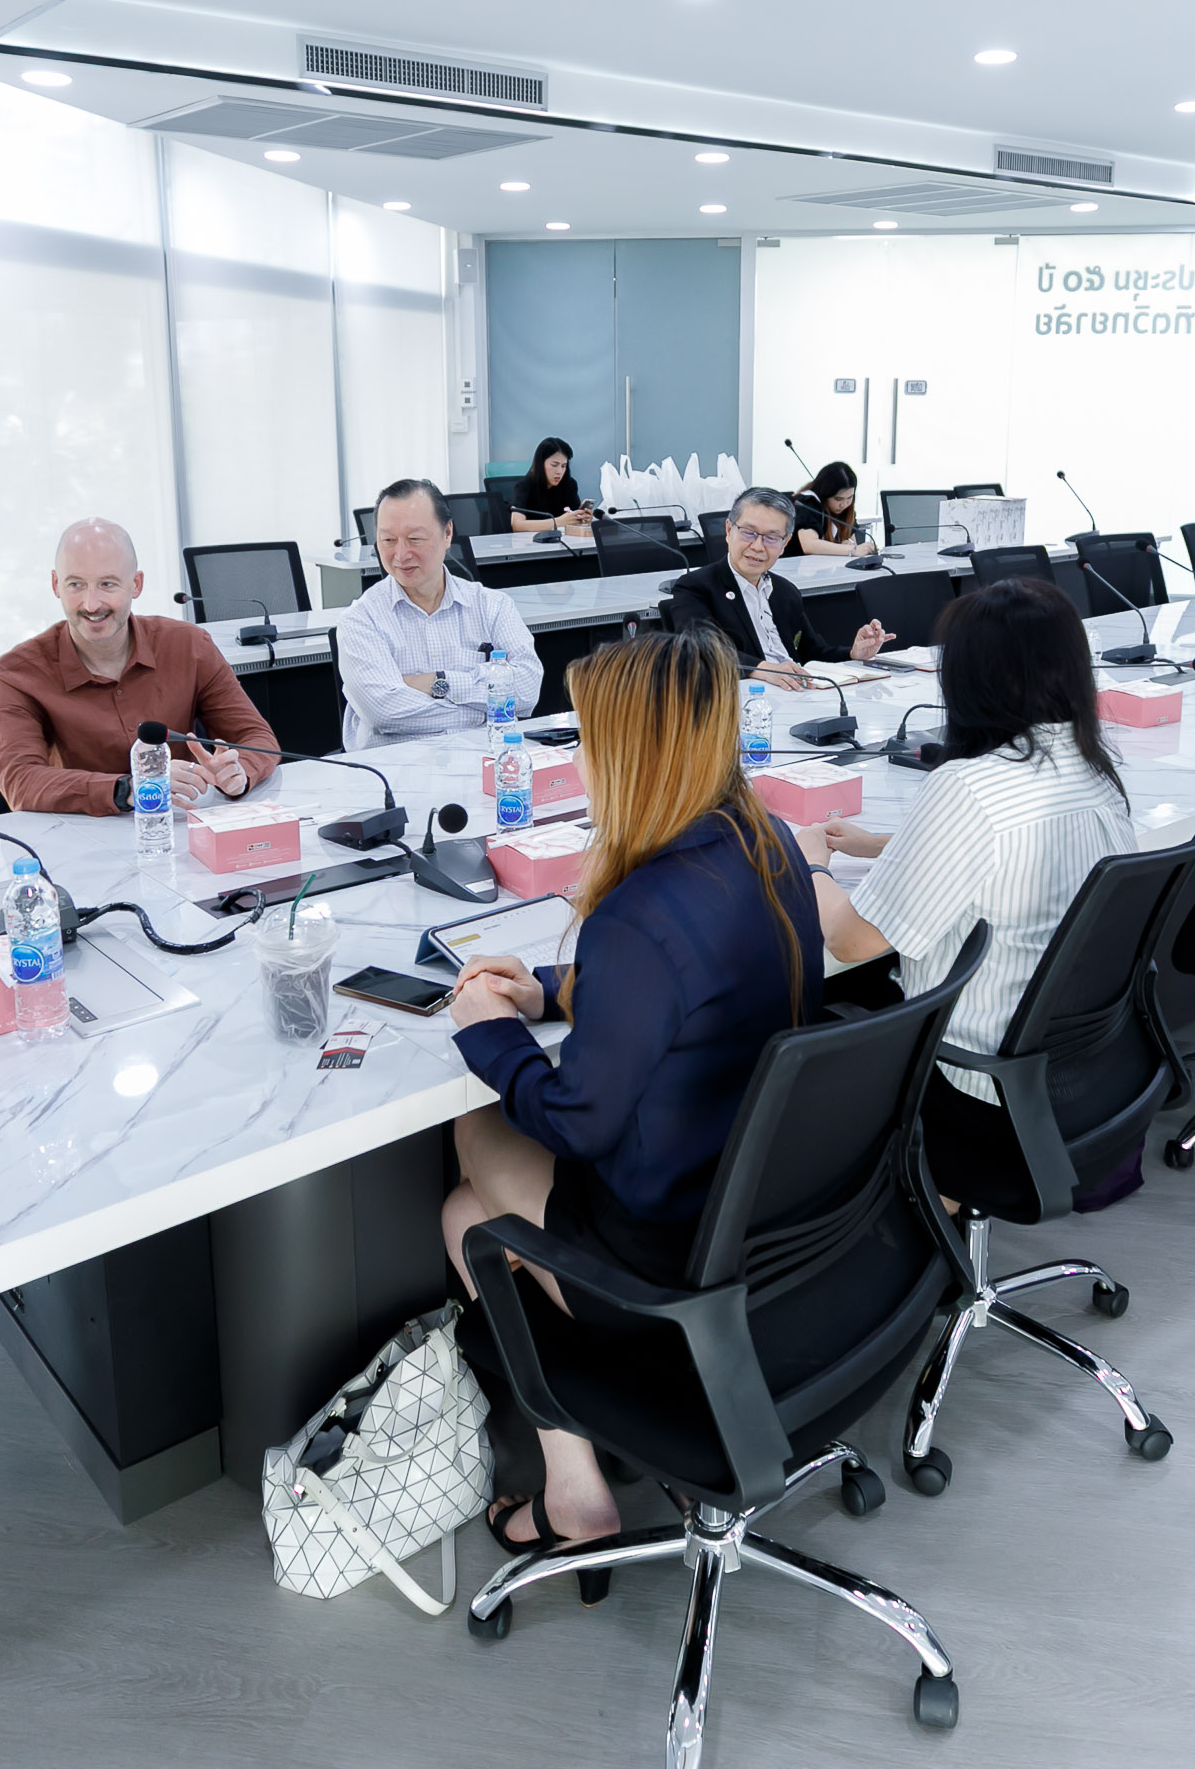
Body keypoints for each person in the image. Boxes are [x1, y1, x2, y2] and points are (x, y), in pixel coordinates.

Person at [441, 632, 823, 1566]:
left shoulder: (638, 914)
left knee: (470, 1160)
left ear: (630, 755)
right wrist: (551, 990)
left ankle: (575, 1488)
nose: (578, 759)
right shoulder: (766, 840)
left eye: (586, 739)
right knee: (472, 1214)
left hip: (667, 1256)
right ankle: (593, 1462)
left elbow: (576, 1122)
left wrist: (486, 1032)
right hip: (774, 1224)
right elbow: (698, 985)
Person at [795, 577, 1134, 1194]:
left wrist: (810, 863)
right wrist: (885, 845)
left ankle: (908, 1218)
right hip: (1080, 1070)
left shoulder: (968, 787)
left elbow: (848, 941)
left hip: (974, 1082)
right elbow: (1007, 851)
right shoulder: (1094, 767)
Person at [0, 518, 276, 814]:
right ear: (55, 585)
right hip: (78, 833)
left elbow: (258, 739)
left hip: (178, 824)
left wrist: (238, 772)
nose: (91, 604)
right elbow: (19, 780)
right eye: (76, 585)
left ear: (136, 585)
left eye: (107, 584)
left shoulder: (189, 645)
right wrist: (127, 789)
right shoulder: (14, 675)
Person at [336, 478, 543, 748]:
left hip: (481, 760)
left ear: (447, 534)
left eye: (414, 539)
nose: (400, 554)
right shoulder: (361, 620)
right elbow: (385, 712)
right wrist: (487, 708)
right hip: (396, 768)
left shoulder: (492, 606)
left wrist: (439, 682)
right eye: (388, 540)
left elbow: (527, 691)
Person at [662, 486, 893, 689]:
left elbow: (812, 653)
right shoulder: (695, 587)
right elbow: (701, 649)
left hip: (795, 696)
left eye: (771, 538)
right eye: (748, 533)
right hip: (740, 701)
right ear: (729, 530)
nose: (757, 546)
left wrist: (852, 653)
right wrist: (764, 669)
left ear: (785, 544)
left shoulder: (785, 591)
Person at [791, 460, 878, 557]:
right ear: (824, 494)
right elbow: (809, 545)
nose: (844, 504)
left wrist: (847, 543)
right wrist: (851, 550)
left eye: (850, 497)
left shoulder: (845, 509)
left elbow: (852, 543)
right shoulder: (807, 504)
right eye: (838, 499)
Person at [510, 436, 592, 534]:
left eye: (563, 466)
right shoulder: (525, 485)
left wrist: (582, 518)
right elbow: (517, 525)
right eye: (554, 465)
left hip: (563, 539)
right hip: (531, 541)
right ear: (541, 463)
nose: (559, 471)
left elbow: (573, 519)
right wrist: (558, 522)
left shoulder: (569, 484)